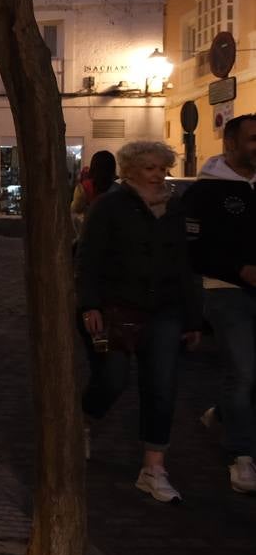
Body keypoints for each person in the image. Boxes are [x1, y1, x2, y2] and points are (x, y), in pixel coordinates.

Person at [76, 141, 202, 502]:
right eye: (150, 168)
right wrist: (90, 305)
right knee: (112, 379)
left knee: (162, 385)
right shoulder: (109, 207)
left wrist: (193, 318)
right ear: (130, 171)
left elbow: (183, 266)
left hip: (164, 309)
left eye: (162, 167)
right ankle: (83, 419)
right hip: (116, 307)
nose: (158, 174)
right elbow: (88, 260)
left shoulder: (174, 209)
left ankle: (154, 466)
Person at [182, 114, 256, 495]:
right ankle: (242, 455)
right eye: (253, 139)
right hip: (225, 291)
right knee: (242, 372)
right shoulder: (204, 193)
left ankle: (223, 413)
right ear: (230, 144)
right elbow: (195, 250)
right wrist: (240, 269)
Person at [72, 150, 118, 240]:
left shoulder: (83, 187)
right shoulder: (118, 189)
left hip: (89, 232)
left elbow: (75, 209)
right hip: (114, 234)